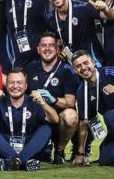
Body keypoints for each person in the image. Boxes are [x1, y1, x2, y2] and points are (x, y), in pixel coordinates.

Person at [0, 68, 59, 171]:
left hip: (28, 146)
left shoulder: (34, 101)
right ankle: (22, 162)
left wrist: (43, 103)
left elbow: (55, 120)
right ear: (6, 85)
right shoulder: (0, 101)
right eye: (11, 82)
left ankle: (13, 162)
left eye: (19, 82)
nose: (15, 86)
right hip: (4, 147)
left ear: (26, 86)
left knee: (46, 128)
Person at [25, 32, 79, 164]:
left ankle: (59, 150)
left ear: (57, 49)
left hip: (58, 121)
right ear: (38, 49)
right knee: (39, 156)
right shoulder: (30, 68)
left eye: (51, 45)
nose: (47, 48)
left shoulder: (67, 70)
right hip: (37, 119)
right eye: (43, 45)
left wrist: (52, 99)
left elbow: (71, 103)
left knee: (71, 115)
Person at [44, 0, 114, 65]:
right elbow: (58, 42)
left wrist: (106, 9)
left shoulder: (83, 8)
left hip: (93, 63)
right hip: (71, 66)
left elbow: (111, 17)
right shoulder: (50, 18)